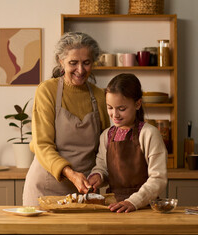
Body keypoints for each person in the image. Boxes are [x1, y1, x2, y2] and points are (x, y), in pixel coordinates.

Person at [22, 32, 110, 206]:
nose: (80, 69)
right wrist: (71, 174)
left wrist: (99, 174)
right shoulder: (47, 91)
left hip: (85, 189)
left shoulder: (100, 96)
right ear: (60, 61)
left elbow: (105, 146)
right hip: (46, 187)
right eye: (73, 63)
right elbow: (42, 145)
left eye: (86, 63)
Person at [88, 73, 168, 213]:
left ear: (137, 104)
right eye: (110, 107)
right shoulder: (106, 135)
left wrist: (133, 201)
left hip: (145, 207)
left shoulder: (149, 134)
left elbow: (158, 178)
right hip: (113, 207)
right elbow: (103, 167)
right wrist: (98, 176)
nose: (115, 115)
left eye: (121, 109)